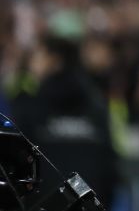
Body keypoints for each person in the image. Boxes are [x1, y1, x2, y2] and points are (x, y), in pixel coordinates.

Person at [9, 35, 119, 206]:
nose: (31, 62)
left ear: (55, 60)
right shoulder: (97, 107)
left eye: (38, 55)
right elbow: (110, 167)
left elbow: (17, 168)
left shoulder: (30, 108)